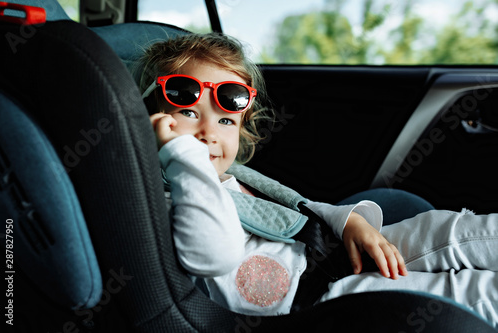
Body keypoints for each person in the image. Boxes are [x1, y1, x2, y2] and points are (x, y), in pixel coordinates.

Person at [135, 32, 498, 327]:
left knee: (450, 230)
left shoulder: (236, 175)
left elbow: (296, 207)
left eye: (226, 120)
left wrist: (348, 221)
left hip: (332, 248)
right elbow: (215, 253)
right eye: (187, 112)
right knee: (466, 291)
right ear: (150, 124)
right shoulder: (170, 197)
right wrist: (183, 157)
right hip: (318, 296)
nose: (208, 132)